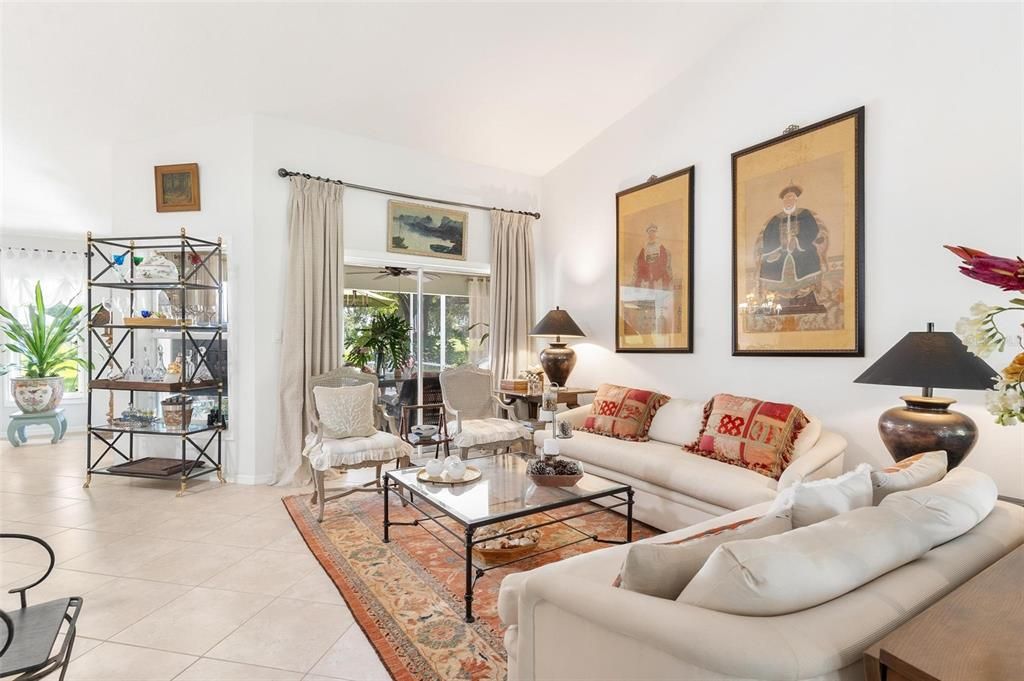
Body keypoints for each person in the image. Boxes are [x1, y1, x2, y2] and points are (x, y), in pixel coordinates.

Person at [755, 184, 828, 313]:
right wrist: (773, 251)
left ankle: (807, 299)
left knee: (808, 259)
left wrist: (797, 240)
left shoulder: (805, 214)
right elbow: (767, 237)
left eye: (792, 198)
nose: (789, 200)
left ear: (796, 200)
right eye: (786, 198)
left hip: (802, 250)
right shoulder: (775, 219)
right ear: (783, 200)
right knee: (769, 264)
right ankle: (773, 302)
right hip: (779, 253)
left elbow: (812, 230)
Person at [632, 223, 673, 289]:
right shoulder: (645, 247)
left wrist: (655, 267)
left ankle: (665, 293)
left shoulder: (660, 246)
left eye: (653, 232)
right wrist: (647, 268)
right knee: (638, 276)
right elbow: (640, 259)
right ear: (648, 234)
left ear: (655, 233)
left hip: (658, 267)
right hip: (647, 267)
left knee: (666, 275)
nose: (652, 234)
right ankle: (638, 293)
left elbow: (664, 258)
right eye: (650, 233)